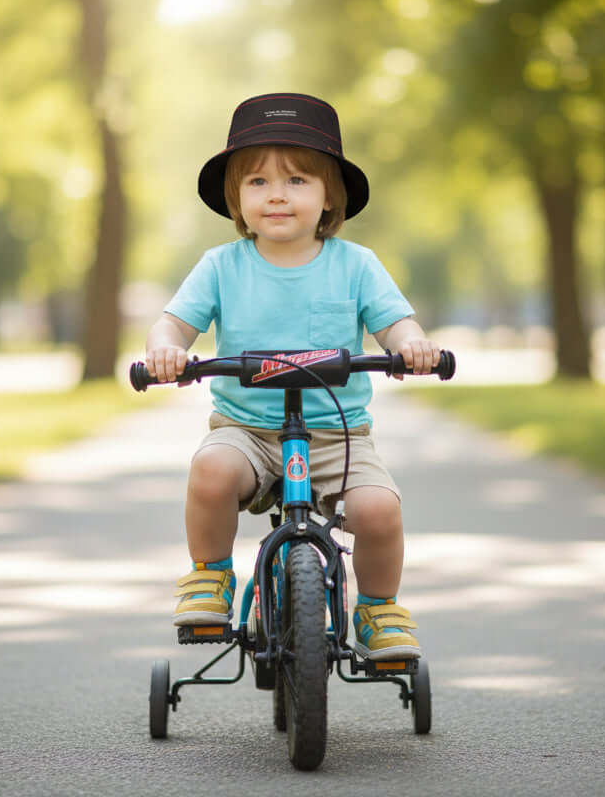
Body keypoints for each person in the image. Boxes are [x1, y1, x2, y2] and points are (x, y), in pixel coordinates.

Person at [143, 92, 440, 660]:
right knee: (210, 469)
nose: (276, 194)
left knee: (379, 511)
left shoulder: (356, 264)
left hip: (337, 434)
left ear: (330, 196)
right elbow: (172, 326)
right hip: (247, 430)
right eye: (256, 183)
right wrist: (166, 351)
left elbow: (397, 324)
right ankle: (210, 576)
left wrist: (413, 347)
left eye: (298, 180)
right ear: (236, 197)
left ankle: (379, 608)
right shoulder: (221, 266)